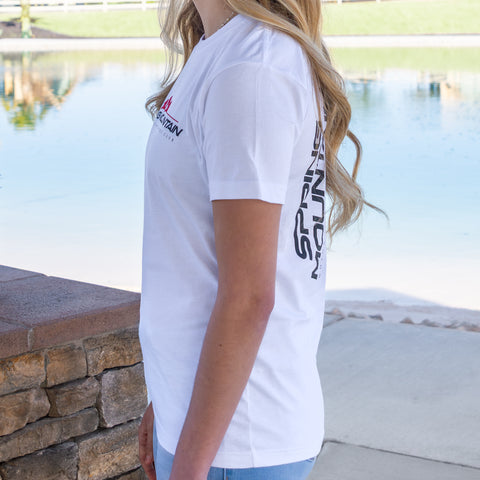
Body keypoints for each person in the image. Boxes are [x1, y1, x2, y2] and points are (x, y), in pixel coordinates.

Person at [138, 1, 386, 479]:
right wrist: (165, 400)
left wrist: (189, 465)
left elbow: (249, 297)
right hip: (203, 426)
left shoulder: (253, 68)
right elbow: (192, 257)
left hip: (236, 446)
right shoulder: (220, 48)